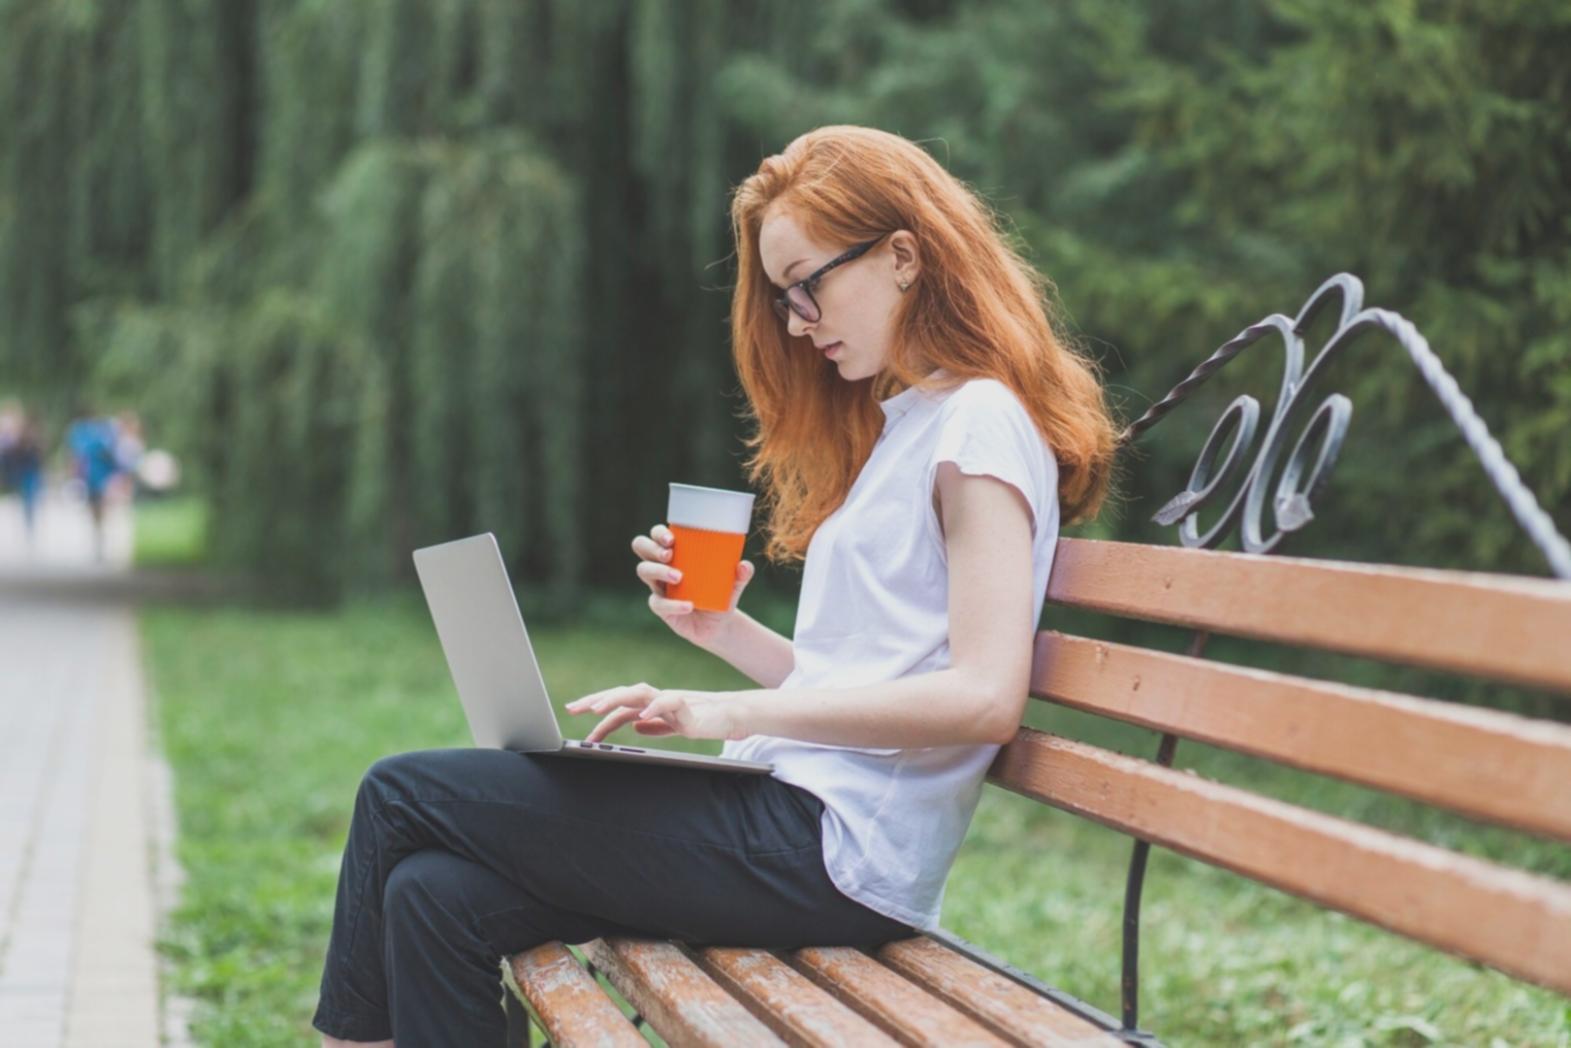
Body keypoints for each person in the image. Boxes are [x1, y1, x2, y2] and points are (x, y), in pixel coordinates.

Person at [313, 125, 1118, 1046]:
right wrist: (724, 633)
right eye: (783, 298)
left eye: (806, 282)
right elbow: (871, 675)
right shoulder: (912, 424)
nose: (796, 320)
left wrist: (718, 712)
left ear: (902, 255)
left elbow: (982, 698)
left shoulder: (976, 422)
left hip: (832, 854)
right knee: (433, 896)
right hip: (790, 823)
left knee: (398, 792)